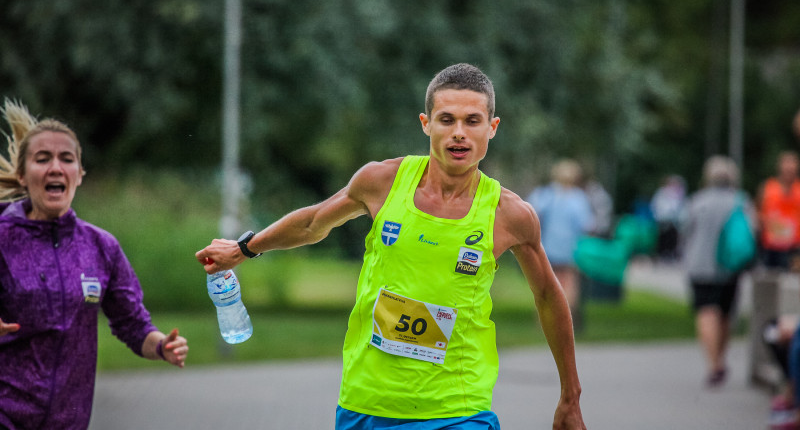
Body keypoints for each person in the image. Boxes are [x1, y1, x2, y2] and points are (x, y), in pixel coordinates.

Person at [196, 63, 586, 429]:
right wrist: (245, 248)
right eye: (446, 120)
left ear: (493, 127)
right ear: (426, 124)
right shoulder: (381, 182)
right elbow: (314, 223)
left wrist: (571, 395)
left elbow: (549, 297)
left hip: (458, 407)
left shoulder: (510, 215)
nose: (459, 133)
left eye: (473, 121)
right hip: (367, 401)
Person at [0, 100, 189, 430]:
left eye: (67, 159)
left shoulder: (101, 247)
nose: (55, 167)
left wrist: (161, 345)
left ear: (79, 175)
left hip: (68, 422)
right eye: (42, 159)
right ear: (22, 175)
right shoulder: (3, 238)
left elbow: (132, 324)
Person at [680, 155, 754, 388]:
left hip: (699, 265)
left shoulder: (696, 201)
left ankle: (713, 365)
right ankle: (720, 358)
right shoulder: (741, 202)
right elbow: (751, 233)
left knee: (706, 312)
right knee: (724, 314)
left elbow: (685, 232)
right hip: (729, 267)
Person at [526, 159, 594, 314]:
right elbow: (587, 225)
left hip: (547, 247)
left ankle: (543, 320)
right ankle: (567, 319)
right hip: (571, 249)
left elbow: (531, 215)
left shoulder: (545, 194)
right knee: (569, 283)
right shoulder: (578, 199)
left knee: (545, 285)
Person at [757, 151, 800, 270]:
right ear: (780, 168)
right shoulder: (768, 187)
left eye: (792, 169)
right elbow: (758, 212)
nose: (789, 172)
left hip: (794, 249)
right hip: (770, 249)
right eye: (786, 168)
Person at [650, 175, 687, 262]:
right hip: (663, 219)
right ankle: (662, 254)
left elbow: (681, 206)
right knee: (663, 237)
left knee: (672, 237)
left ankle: (670, 253)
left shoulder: (679, 193)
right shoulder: (662, 192)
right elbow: (657, 205)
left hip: (674, 220)